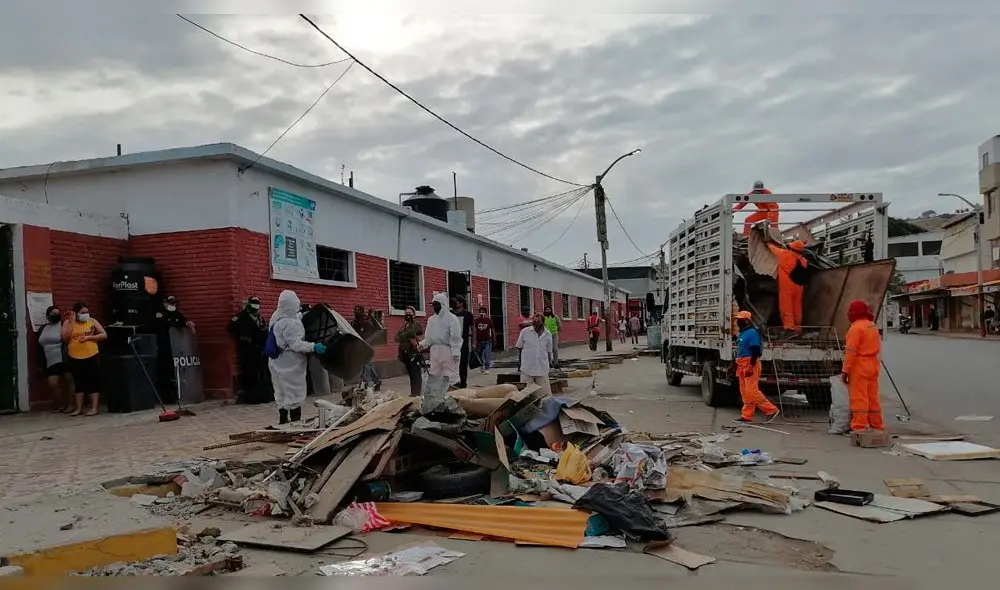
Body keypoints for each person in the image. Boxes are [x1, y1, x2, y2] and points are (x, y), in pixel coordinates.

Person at [268, 290, 326, 425]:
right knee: (294, 393)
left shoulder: (276, 316)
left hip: (276, 360)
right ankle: (295, 423)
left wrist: (302, 314)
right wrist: (314, 346)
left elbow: (291, 317)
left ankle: (283, 421)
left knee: (281, 392)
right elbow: (296, 344)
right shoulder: (291, 324)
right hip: (290, 363)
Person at [842, 300, 884, 433]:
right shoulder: (872, 325)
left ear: (855, 313)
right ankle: (877, 425)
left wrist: (845, 370)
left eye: (850, 311)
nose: (848, 314)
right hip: (873, 364)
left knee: (859, 397)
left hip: (860, 365)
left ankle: (859, 426)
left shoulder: (855, 328)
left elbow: (850, 352)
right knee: (872, 397)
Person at [733, 311, 779, 423]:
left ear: (746, 321)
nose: (737, 321)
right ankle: (746, 415)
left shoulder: (752, 333)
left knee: (752, 391)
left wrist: (750, 366)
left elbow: (756, 351)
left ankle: (771, 410)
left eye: (739, 320)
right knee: (745, 391)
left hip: (750, 364)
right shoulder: (743, 333)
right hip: (742, 364)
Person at [62, 302, 107, 416]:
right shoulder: (68, 322)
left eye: (87, 312)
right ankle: (79, 408)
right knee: (78, 382)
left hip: (91, 354)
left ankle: (94, 408)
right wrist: (72, 323)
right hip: (75, 355)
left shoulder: (92, 321)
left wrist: (89, 338)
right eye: (82, 313)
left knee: (93, 381)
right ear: (76, 313)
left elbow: (103, 335)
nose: (85, 314)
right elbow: (65, 338)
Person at [228, 296, 271, 404]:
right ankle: (251, 398)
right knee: (249, 374)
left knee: (260, 373)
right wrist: (241, 337)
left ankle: (263, 396)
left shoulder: (259, 318)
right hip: (247, 350)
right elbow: (230, 328)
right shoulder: (241, 317)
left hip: (259, 349)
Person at [153, 295, 195, 403]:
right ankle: (167, 397)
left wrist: (187, 323)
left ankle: (177, 395)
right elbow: (165, 325)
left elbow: (182, 319)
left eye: (175, 304)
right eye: (171, 303)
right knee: (165, 371)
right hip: (164, 347)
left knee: (175, 371)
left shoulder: (176, 313)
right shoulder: (160, 313)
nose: (174, 305)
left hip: (176, 348)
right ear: (165, 303)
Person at [419, 293, 463, 386]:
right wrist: (422, 345)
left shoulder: (451, 318)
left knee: (450, 375)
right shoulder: (431, 320)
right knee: (435, 375)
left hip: (447, 350)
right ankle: (437, 394)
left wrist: (455, 351)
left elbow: (455, 337)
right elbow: (429, 337)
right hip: (435, 351)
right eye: (434, 305)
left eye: (437, 305)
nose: (435, 307)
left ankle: (452, 393)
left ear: (443, 304)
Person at [766, 239, 808, 334]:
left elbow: (774, 249)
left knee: (786, 305)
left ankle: (789, 327)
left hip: (787, 285)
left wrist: (768, 243)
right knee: (797, 306)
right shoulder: (804, 261)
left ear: (792, 248)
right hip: (799, 286)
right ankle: (798, 327)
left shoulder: (785, 254)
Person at [37, 305, 73, 413]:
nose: (56, 315)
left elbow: (68, 339)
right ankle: (60, 404)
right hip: (50, 361)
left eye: (58, 313)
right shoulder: (43, 328)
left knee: (68, 382)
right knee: (53, 384)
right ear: (48, 315)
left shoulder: (63, 325)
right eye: (53, 313)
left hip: (64, 358)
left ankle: (70, 405)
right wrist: (40, 362)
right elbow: (39, 346)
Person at [516, 313, 553, 395]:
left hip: (542, 368)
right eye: (534, 322)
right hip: (527, 368)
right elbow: (519, 347)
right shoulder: (525, 332)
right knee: (526, 395)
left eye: (538, 322)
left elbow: (549, 351)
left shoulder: (548, 334)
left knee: (545, 395)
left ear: (543, 322)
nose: (536, 323)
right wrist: (520, 362)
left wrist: (550, 363)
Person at [351, 305, 382, 391]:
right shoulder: (354, 322)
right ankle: (377, 381)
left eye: (358, 310)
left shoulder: (367, 320)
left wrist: (369, 340)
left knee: (366, 365)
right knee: (368, 365)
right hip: (359, 346)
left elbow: (377, 331)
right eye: (355, 310)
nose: (356, 312)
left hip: (367, 346)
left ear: (362, 311)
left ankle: (365, 384)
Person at [395, 306, 425, 396]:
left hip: (414, 353)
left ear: (414, 315)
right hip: (405, 354)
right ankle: (413, 393)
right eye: (406, 313)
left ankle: (416, 394)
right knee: (411, 375)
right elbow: (396, 337)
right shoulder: (403, 325)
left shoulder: (416, 324)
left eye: (409, 313)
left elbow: (412, 332)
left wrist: (403, 335)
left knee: (416, 375)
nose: (407, 315)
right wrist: (404, 335)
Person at [453, 296, 474, 388]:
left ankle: (463, 383)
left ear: (461, 303)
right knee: (454, 363)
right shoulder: (451, 314)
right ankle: (455, 382)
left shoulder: (468, 314)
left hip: (463, 342)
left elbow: (473, 328)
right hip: (453, 343)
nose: (455, 303)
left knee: (463, 363)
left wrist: (473, 342)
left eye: (457, 302)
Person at [474, 307, 494, 374]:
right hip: (479, 341)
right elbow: (474, 330)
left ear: (486, 313)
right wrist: (474, 341)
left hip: (487, 340)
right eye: (480, 312)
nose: (481, 313)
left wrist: (493, 339)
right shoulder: (476, 320)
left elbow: (492, 329)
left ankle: (487, 368)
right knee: (479, 355)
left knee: (487, 355)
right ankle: (481, 366)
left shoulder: (489, 320)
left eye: (483, 312)